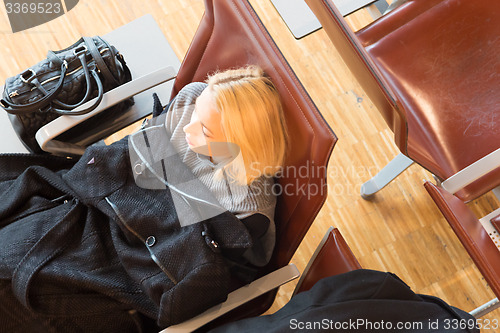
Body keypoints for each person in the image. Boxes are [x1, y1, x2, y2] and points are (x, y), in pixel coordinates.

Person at [0, 65, 288, 332]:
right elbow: (138, 157)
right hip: (100, 207)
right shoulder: (193, 100)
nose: (188, 127)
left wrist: (155, 170)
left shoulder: (247, 207)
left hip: (138, 261)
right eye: (196, 115)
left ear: (241, 143)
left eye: (206, 130)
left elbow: (187, 256)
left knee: (30, 293)